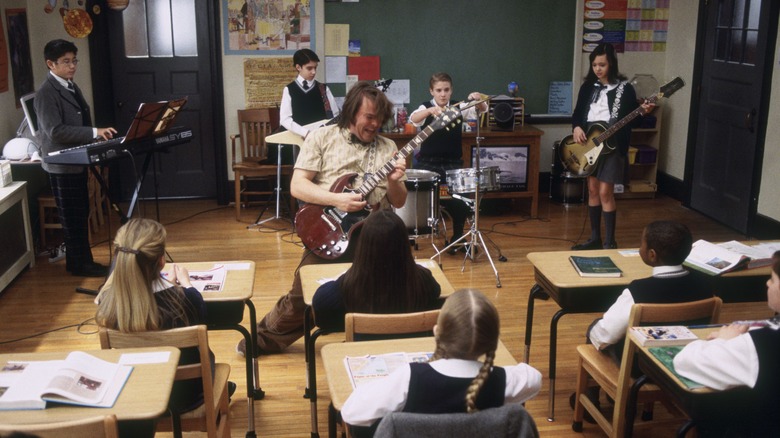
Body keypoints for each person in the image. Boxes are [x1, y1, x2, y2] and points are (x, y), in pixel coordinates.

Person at [237, 81, 407, 355]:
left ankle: (368, 338)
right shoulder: (322, 137)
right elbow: (298, 186)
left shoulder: (388, 147)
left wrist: (394, 181)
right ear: (352, 112)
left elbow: (399, 200)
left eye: (380, 119)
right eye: (369, 117)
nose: (375, 125)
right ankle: (264, 337)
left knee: (382, 291)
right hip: (330, 228)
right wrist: (338, 200)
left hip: (375, 236)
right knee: (303, 297)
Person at [94, 219, 233, 436]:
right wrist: (186, 283)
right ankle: (221, 390)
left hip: (135, 396)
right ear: (161, 261)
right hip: (186, 397)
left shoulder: (107, 304)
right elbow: (201, 314)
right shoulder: (186, 300)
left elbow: (105, 293)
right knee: (208, 356)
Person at [340, 289, 542, 437]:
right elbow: (534, 378)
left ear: (437, 333)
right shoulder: (506, 381)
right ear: (492, 340)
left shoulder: (409, 377)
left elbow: (351, 412)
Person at [570, 220, 712, 418]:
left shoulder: (638, 291)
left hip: (643, 368)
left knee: (598, 330)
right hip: (685, 360)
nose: (639, 248)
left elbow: (606, 335)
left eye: (641, 244)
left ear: (652, 255)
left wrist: (594, 329)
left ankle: (591, 398)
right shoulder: (705, 285)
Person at [673, 250, 780, 436]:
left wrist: (723, 341)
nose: (767, 283)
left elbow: (684, 361)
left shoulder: (759, 345)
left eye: (772, 279)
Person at [35, 39, 117, 277]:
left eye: (74, 61)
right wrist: (94, 132)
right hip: (62, 165)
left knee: (79, 213)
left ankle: (79, 261)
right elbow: (55, 131)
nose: (72, 66)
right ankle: (81, 265)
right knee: (72, 217)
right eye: (66, 62)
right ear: (51, 64)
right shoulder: (46, 93)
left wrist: (93, 139)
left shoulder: (69, 84)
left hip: (76, 160)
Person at [570, 43, 654, 250]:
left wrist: (643, 112)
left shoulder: (624, 89)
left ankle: (610, 242)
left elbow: (633, 121)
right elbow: (577, 114)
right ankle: (595, 238)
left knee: (606, 191)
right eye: (595, 65)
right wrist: (577, 128)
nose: (598, 69)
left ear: (612, 65)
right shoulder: (588, 87)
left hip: (613, 143)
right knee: (592, 189)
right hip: (589, 142)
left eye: (602, 65)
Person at [311, 210, 442, 331]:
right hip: (408, 350)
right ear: (404, 244)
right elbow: (436, 293)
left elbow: (321, 316)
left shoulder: (344, 289)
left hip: (362, 352)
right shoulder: (423, 281)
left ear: (363, 245)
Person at [409, 73, 488, 252]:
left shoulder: (458, 107)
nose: (443, 94)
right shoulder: (426, 106)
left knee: (460, 198)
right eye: (438, 90)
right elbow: (414, 119)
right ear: (432, 91)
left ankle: (458, 235)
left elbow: (482, 109)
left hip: (452, 162)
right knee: (419, 196)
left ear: (451, 90)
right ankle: (414, 232)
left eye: (446, 90)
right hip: (428, 163)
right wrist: (430, 111)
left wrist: (479, 98)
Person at [279, 48, 340, 141]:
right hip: (297, 141)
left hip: (320, 140)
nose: (314, 72)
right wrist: (305, 133)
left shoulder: (324, 89)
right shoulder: (289, 90)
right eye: (309, 68)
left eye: (315, 67)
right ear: (298, 67)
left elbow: (335, 115)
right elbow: (285, 119)